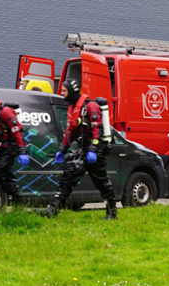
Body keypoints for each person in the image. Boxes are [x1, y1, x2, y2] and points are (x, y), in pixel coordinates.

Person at [41, 79, 118, 220]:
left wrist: (93, 150)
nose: (62, 93)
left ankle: (112, 213)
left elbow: (97, 129)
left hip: (95, 150)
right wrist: (62, 149)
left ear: (72, 91)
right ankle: (53, 208)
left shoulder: (90, 106)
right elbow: (70, 131)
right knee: (68, 176)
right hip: (83, 148)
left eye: (64, 90)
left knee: (102, 182)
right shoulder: (72, 107)